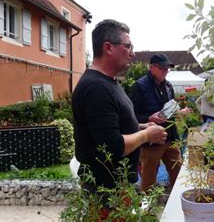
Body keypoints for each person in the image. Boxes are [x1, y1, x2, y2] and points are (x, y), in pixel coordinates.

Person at [71, 19, 167, 195]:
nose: (133, 53)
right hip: (105, 190)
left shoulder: (109, 82)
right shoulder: (96, 88)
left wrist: (140, 126)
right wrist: (146, 135)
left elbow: (108, 128)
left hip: (116, 186)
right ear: (108, 48)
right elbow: (112, 146)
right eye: (128, 46)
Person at [129, 53, 184, 192]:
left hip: (171, 137)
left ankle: (176, 202)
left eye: (167, 69)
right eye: (162, 68)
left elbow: (170, 109)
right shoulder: (139, 86)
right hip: (152, 141)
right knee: (149, 177)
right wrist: (149, 117)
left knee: (178, 172)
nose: (165, 71)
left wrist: (178, 112)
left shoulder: (168, 86)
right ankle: (148, 210)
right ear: (151, 67)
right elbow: (131, 116)